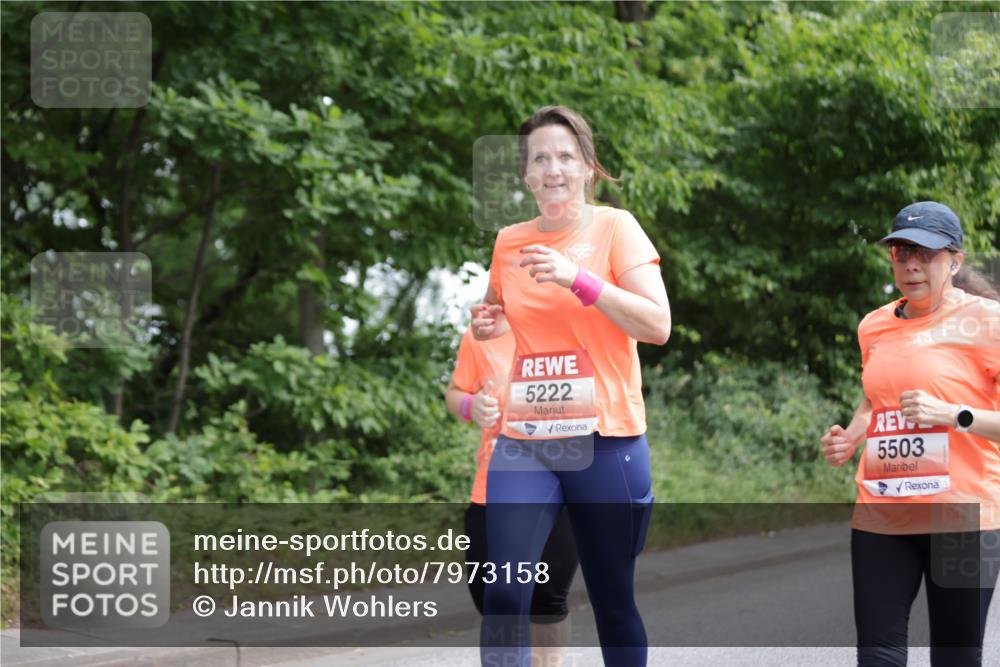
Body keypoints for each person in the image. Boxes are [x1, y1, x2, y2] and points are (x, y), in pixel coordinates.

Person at [471, 105, 671, 667]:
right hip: (527, 440)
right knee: (503, 592)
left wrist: (578, 279)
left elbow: (658, 325)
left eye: (565, 156)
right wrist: (488, 323)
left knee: (612, 601)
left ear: (587, 167)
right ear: (526, 175)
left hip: (606, 440)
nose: (553, 168)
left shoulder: (615, 227)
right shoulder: (508, 242)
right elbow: (500, 312)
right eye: (540, 159)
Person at [820, 201, 1000, 667]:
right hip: (883, 513)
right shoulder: (874, 325)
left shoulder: (987, 323)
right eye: (901, 253)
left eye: (926, 253)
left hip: (962, 519)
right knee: (877, 657)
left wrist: (954, 415)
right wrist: (853, 435)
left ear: (955, 262)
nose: (911, 265)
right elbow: (878, 396)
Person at [444, 323, 580, 667]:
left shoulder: (573, 323)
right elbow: (455, 392)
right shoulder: (483, 332)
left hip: (559, 485)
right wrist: (470, 406)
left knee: (547, 600)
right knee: (493, 599)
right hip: (492, 490)